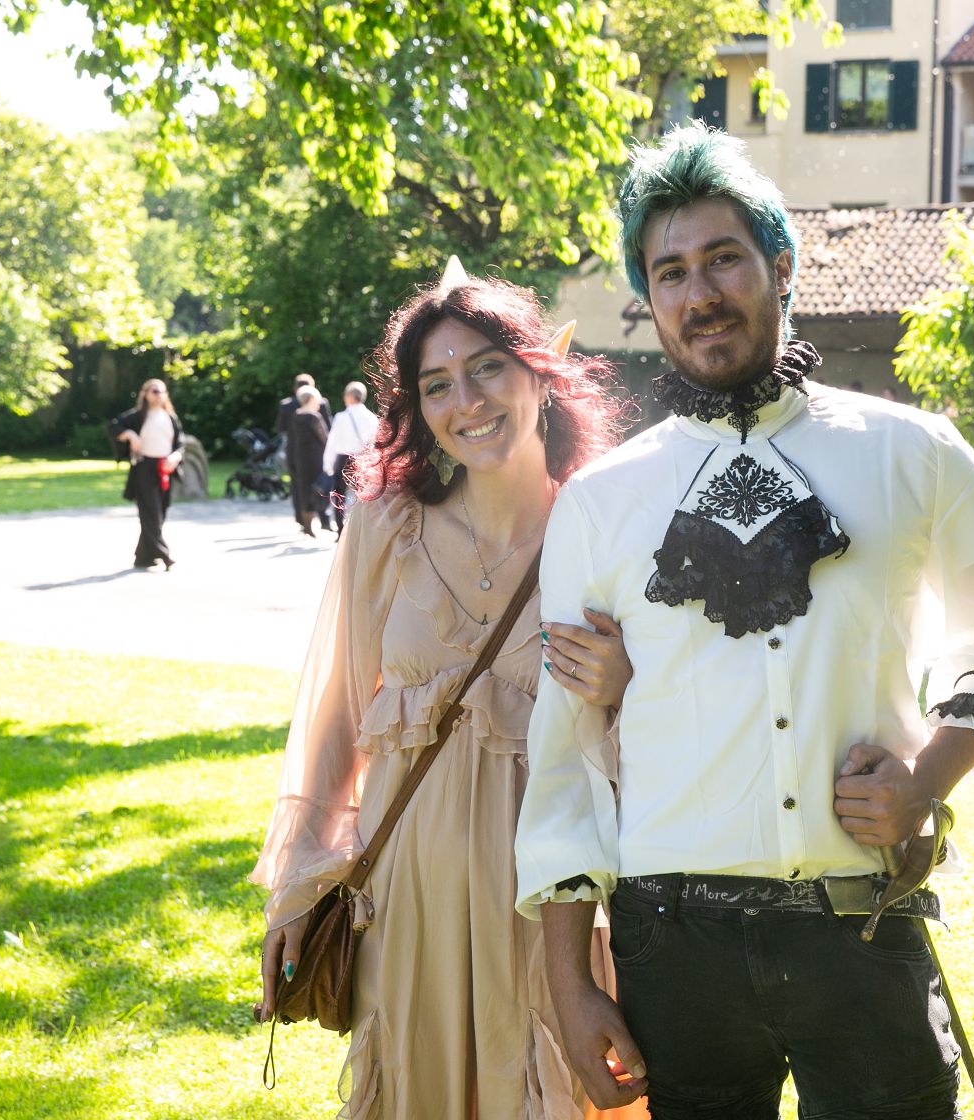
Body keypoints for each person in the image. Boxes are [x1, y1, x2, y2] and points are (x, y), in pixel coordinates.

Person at [515, 122, 974, 1119]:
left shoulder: (914, 452)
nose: (700, 292)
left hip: (864, 925)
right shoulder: (599, 503)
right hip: (672, 946)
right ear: (649, 300)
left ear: (780, 266)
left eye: (724, 258)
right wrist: (568, 980)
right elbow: (563, 756)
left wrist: (924, 780)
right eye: (671, 272)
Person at [250, 262, 646, 1119]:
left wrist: (626, 684)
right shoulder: (385, 524)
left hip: (554, 912)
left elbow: (675, 720)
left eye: (488, 367)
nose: (466, 401)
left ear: (540, 373)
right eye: (437, 384)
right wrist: (300, 881)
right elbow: (336, 715)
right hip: (408, 903)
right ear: (417, 408)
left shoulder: (609, 527)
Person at [108, 378, 183, 571]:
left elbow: (180, 444)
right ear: (146, 394)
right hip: (144, 468)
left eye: (161, 391)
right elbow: (114, 427)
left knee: (160, 512)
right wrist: (130, 435)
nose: (158, 395)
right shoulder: (138, 416)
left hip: (165, 468)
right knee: (150, 512)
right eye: (154, 391)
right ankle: (165, 555)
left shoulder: (170, 418)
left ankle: (143, 557)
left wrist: (175, 457)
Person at [322, 380, 380, 538]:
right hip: (364, 459)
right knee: (364, 495)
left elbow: (332, 442)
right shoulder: (371, 417)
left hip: (343, 458)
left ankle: (341, 530)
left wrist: (328, 464)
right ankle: (362, 529)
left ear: (349, 396)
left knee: (339, 495)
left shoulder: (341, 417)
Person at [287, 385, 333, 536]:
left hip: (301, 458)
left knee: (304, 489)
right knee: (320, 489)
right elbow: (325, 437)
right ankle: (324, 520)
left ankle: (307, 525)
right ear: (311, 399)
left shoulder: (296, 415)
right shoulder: (314, 417)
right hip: (316, 458)